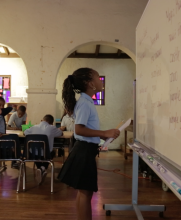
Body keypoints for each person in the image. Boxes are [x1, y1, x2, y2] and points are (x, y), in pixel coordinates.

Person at [57, 68, 120, 220]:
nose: (101, 81)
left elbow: (85, 129)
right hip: (83, 151)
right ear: (90, 83)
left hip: (85, 150)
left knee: (84, 192)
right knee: (86, 193)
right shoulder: (85, 103)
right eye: (98, 78)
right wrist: (104, 133)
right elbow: (79, 129)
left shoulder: (86, 101)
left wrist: (103, 137)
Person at [24, 114, 63, 185]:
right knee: (52, 152)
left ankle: (40, 168)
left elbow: (25, 132)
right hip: (46, 154)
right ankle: (42, 168)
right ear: (51, 122)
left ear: (42, 120)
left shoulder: (33, 127)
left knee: (35, 152)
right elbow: (60, 133)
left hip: (33, 155)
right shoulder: (52, 128)